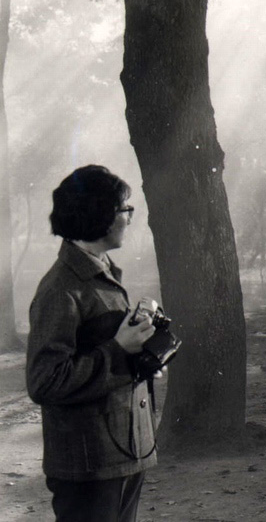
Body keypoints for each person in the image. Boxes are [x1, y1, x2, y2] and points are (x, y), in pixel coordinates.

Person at [26, 165, 158, 522]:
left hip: (120, 453)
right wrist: (119, 351)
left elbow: (105, 353)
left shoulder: (100, 272)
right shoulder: (60, 289)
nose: (130, 218)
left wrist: (143, 354)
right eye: (123, 209)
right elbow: (44, 381)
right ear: (99, 215)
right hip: (88, 465)